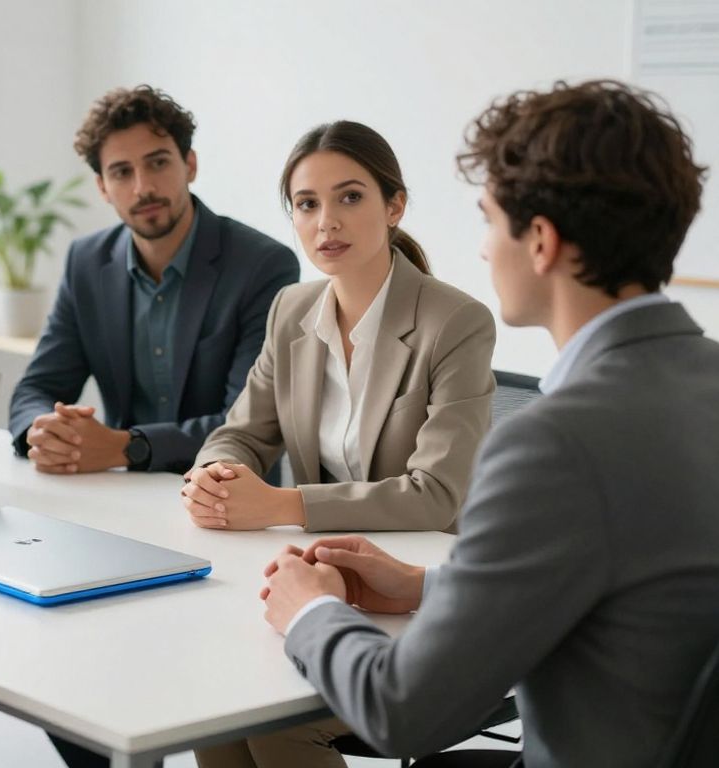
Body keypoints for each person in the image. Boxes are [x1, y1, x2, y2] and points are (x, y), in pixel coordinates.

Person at [262, 80, 719, 768]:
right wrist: (424, 585)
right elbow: (635, 582)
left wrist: (309, 610)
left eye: (488, 221)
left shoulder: (553, 443)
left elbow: (400, 711)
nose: (481, 250)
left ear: (540, 242)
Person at [182, 121, 496, 540]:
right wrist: (212, 478)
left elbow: (435, 495)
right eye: (307, 204)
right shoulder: (290, 309)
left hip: (425, 560)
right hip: (323, 555)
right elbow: (242, 435)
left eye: (350, 197)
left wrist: (284, 505)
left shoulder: (456, 322)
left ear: (394, 207)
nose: (326, 222)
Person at [8, 85, 298, 478]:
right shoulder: (87, 262)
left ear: (189, 165)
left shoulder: (263, 265)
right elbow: (36, 389)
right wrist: (45, 432)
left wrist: (125, 447)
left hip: (228, 493)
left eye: (158, 163)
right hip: (119, 493)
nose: (142, 187)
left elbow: (249, 424)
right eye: (121, 172)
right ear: (103, 187)